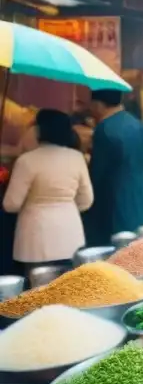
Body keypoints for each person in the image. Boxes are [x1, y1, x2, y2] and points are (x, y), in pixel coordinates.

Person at [3, 110, 92, 269]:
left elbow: (11, 204)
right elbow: (86, 200)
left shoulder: (27, 161)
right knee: (69, 287)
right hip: (70, 235)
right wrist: (65, 206)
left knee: (38, 288)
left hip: (35, 239)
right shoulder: (77, 157)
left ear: (40, 130)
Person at [86, 88, 143, 245]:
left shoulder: (104, 129)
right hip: (140, 192)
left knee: (117, 246)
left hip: (113, 198)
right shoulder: (138, 124)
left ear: (98, 105)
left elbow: (97, 172)